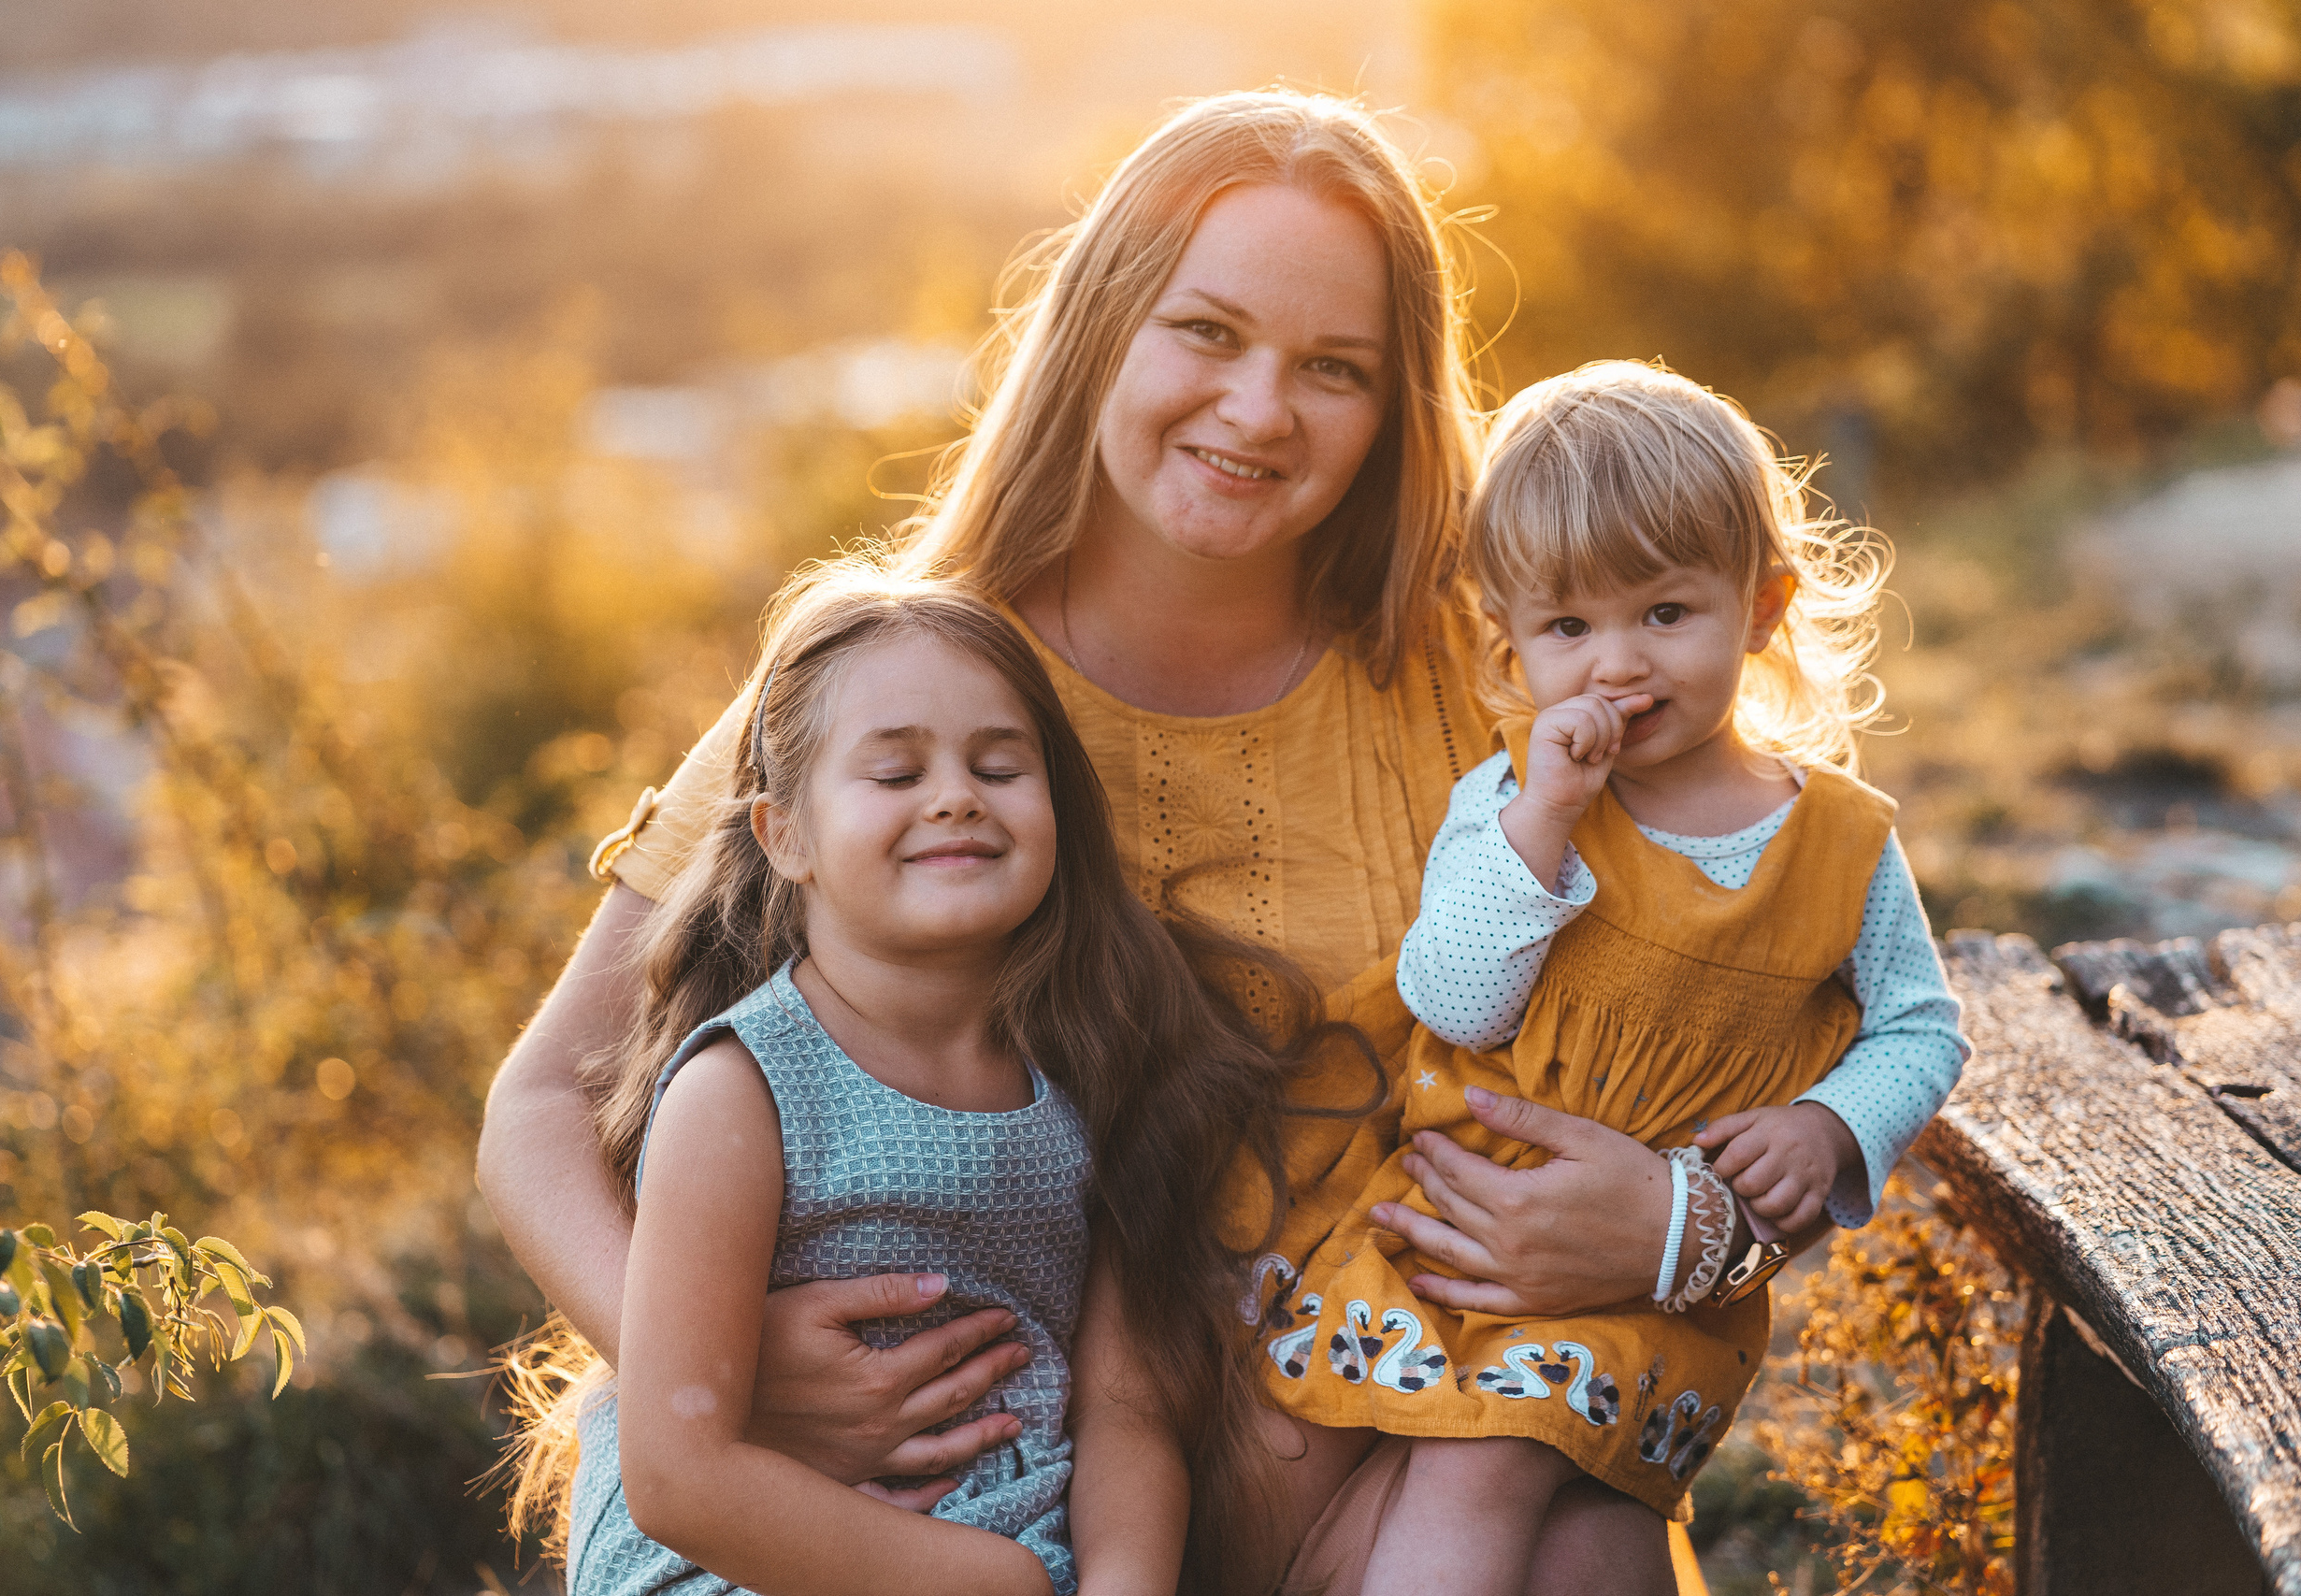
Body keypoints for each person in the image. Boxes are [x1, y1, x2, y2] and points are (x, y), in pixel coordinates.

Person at [477, 91, 1933, 1589]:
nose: (1258, 411)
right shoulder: (904, 697)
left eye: (1335, 368)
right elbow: (538, 1106)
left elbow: (1767, 968)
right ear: (1103, 323)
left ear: (1394, 407)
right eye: (1207, 332)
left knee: (1596, 1551)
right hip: (995, 1483)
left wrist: (1685, 1229)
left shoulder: (1492, 666)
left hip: (1411, 1445)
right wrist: (714, 1364)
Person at [1250, 361, 1968, 1594]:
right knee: (1347, 1459)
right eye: (1569, 627)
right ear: (1511, 641)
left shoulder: (1837, 837)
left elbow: (1920, 1026)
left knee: (1488, 1465)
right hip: (1443, 1238)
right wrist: (1549, 817)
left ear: (1762, 604)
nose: (1617, 664)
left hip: (1652, 1274)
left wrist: (1832, 1122)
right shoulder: (1514, 800)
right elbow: (1458, 996)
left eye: (1665, 612)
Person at [537, 568, 1341, 1595]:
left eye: (999, 767)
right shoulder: (742, 1091)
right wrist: (983, 1580)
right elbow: (678, 1478)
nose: (955, 795)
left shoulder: (1096, 1072)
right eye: (896, 773)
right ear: (784, 836)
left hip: (1029, 1549)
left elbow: (1126, 1409)